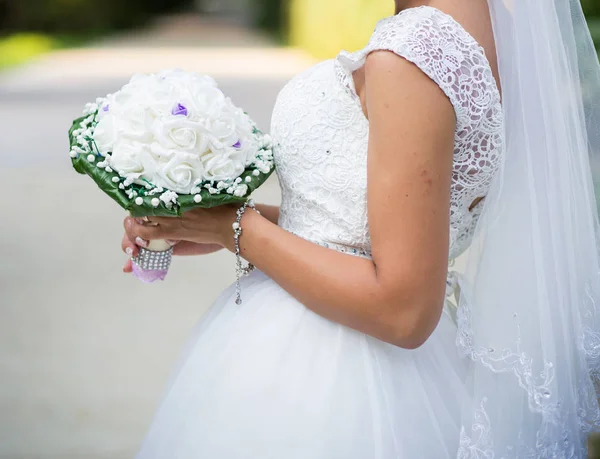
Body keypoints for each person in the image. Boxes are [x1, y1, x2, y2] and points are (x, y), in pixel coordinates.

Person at [122, 0, 600, 457]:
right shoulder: (488, 33)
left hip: (329, 376)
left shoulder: (415, 52)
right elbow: (373, 228)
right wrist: (209, 223)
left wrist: (237, 227)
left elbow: (403, 310)